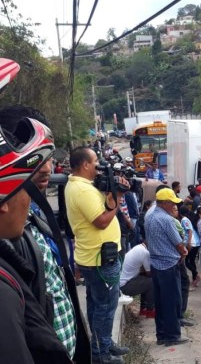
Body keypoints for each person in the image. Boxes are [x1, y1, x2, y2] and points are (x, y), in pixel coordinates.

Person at [0, 116, 78, 363]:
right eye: (36, 160)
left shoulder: (33, 215)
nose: (46, 168)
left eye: (49, 159)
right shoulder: (12, 232)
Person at [65, 147, 130, 363]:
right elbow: (102, 221)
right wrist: (118, 198)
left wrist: (110, 193)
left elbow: (101, 210)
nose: (98, 166)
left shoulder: (80, 185)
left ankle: (103, 343)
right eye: (95, 162)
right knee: (106, 306)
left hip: (95, 257)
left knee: (96, 304)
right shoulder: (83, 190)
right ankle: (101, 354)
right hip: (101, 259)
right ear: (84, 164)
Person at [144, 188, 189, 347]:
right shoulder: (167, 219)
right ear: (165, 203)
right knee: (172, 302)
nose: (174, 206)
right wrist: (183, 252)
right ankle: (172, 336)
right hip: (169, 264)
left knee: (161, 302)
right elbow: (179, 244)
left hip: (156, 264)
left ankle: (161, 335)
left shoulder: (149, 216)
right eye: (172, 203)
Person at [119, 241, 154, 318]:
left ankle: (143, 309)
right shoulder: (145, 253)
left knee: (145, 281)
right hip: (124, 286)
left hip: (122, 283)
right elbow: (149, 273)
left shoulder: (138, 247)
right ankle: (151, 310)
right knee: (151, 282)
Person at [180, 207, 201, 289]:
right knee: (191, 261)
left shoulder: (184, 220)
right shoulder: (187, 219)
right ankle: (195, 278)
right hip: (195, 242)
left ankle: (196, 274)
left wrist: (189, 242)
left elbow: (189, 231)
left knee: (187, 261)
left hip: (192, 243)